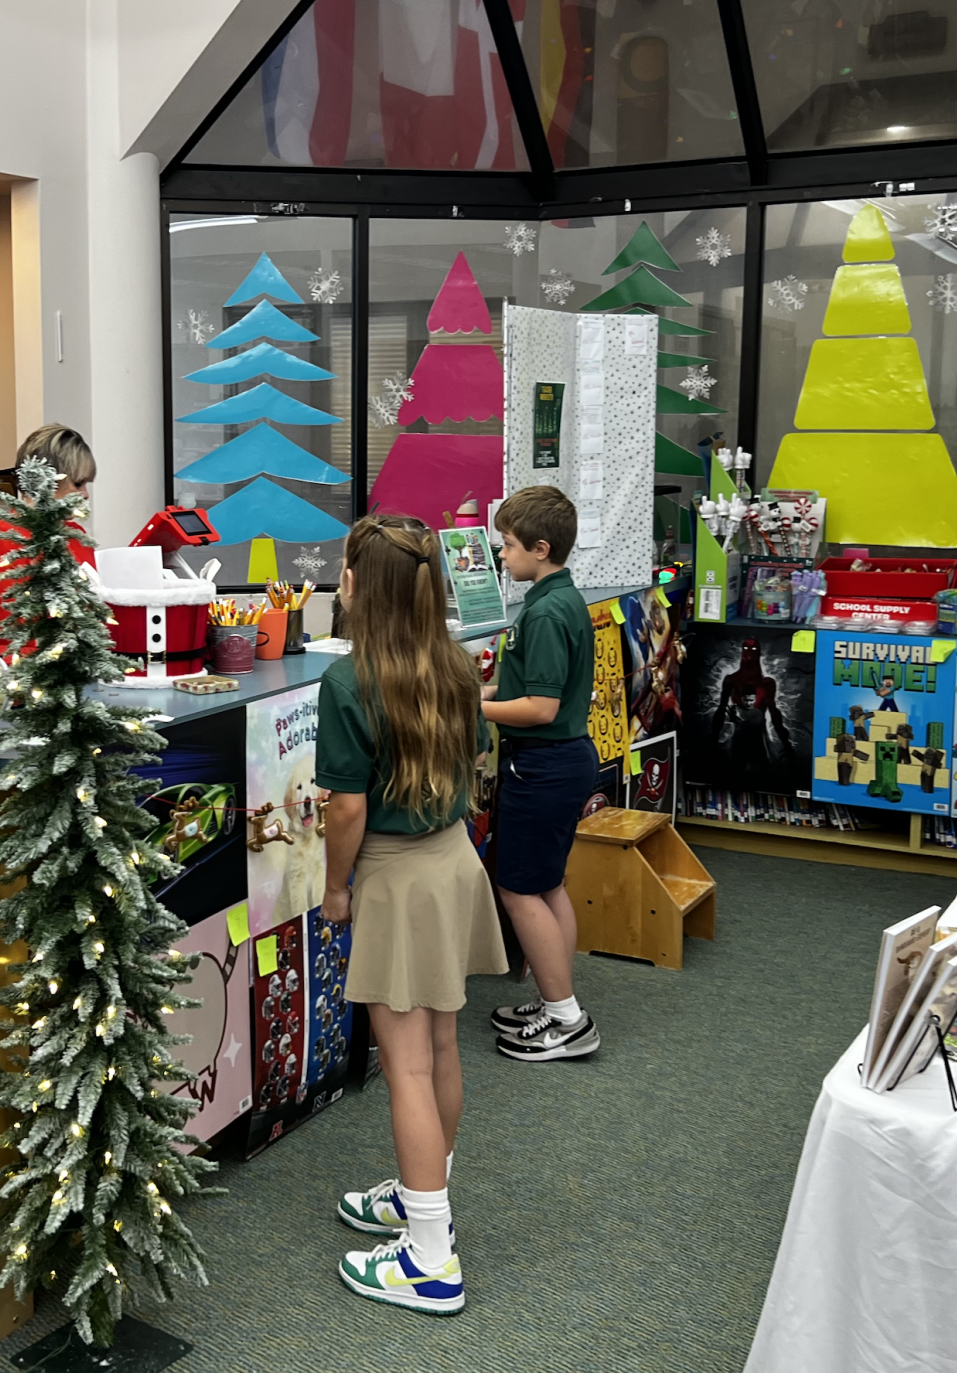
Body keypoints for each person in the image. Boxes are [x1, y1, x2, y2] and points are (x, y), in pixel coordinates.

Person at [316, 515, 507, 1316]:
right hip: (453, 861)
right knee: (437, 1044)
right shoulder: (456, 665)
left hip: (395, 875)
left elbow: (346, 811)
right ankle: (420, 1192)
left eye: (345, 572)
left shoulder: (349, 681)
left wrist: (334, 888)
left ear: (362, 586)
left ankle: (430, 1257)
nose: (337, 582)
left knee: (407, 1067)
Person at [482, 485, 603, 1062]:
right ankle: (556, 998)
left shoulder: (548, 610)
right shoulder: (555, 598)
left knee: (519, 887)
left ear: (540, 547)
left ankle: (567, 1021)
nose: (501, 556)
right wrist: (476, 690)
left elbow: (540, 708)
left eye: (507, 546)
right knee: (547, 884)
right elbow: (524, 687)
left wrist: (469, 707)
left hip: (545, 764)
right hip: (559, 763)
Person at [0, 423, 98, 652]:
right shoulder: (4, 539)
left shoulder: (76, 535)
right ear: (47, 480)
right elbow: (23, 622)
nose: (86, 494)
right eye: (78, 483)